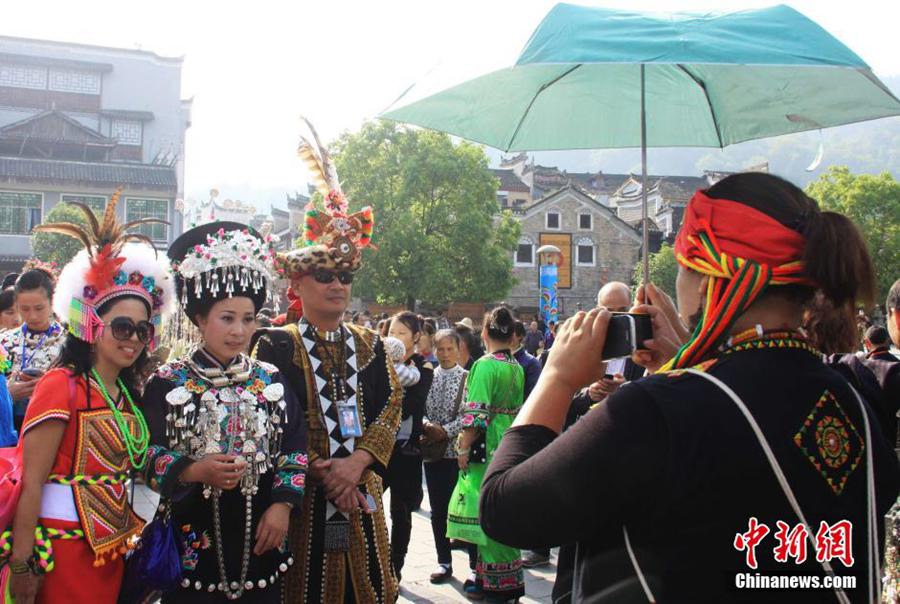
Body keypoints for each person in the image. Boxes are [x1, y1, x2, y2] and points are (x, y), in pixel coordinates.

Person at [481, 172, 900, 603]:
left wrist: (557, 377)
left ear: (707, 278)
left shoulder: (653, 410)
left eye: (683, 265)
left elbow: (504, 509)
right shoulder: (853, 396)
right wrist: (690, 363)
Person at [251, 124, 402, 604]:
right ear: (296, 286)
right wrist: (323, 470)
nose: (337, 285)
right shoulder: (274, 345)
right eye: (323, 276)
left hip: (361, 496)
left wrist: (355, 464)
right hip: (302, 501)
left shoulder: (372, 345)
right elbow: (268, 419)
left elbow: (391, 404)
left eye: (343, 276)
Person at [6, 195, 173, 603]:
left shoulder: (127, 396)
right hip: (59, 553)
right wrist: (22, 564)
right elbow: (31, 482)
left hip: (110, 555)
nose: (133, 339)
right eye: (121, 327)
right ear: (92, 325)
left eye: (142, 330)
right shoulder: (61, 385)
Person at [140, 223, 307, 602]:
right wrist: (194, 470)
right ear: (200, 319)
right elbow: (146, 454)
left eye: (248, 319)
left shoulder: (271, 381)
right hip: (192, 542)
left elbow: (295, 449)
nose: (239, 330)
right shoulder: (168, 383)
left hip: (261, 542)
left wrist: (282, 506)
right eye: (227, 318)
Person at [447, 306, 525, 602]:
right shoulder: (515, 367)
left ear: (484, 333)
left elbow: (475, 415)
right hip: (509, 440)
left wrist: (463, 446)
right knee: (504, 508)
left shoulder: (484, 365)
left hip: (487, 442)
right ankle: (502, 577)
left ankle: (494, 583)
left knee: (486, 510)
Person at [421, 329, 477, 584]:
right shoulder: (428, 377)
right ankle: (444, 562)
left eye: (449, 349)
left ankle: (476, 567)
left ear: (459, 349)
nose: (444, 354)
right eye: (440, 349)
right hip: (434, 454)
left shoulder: (468, 378)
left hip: (460, 454)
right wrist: (426, 426)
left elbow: (470, 415)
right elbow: (419, 408)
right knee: (438, 511)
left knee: (467, 510)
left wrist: (445, 431)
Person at [384, 311, 434, 580]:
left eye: (402, 333)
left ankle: (396, 568)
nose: (396, 338)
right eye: (392, 332)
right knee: (366, 506)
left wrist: (385, 401)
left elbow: (411, 406)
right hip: (375, 450)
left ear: (416, 337)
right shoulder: (378, 362)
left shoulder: (423, 368)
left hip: (405, 450)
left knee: (401, 513)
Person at [1, 266, 65, 431]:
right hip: (11, 430)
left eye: (39, 308)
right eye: (24, 309)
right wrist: (7, 395)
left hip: (54, 426)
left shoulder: (69, 344)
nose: (32, 316)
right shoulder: (4, 341)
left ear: (52, 303)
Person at [512, 320, 541, 401]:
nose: (506, 336)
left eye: (510, 333)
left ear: (520, 336)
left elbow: (533, 396)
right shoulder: (496, 359)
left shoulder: (532, 363)